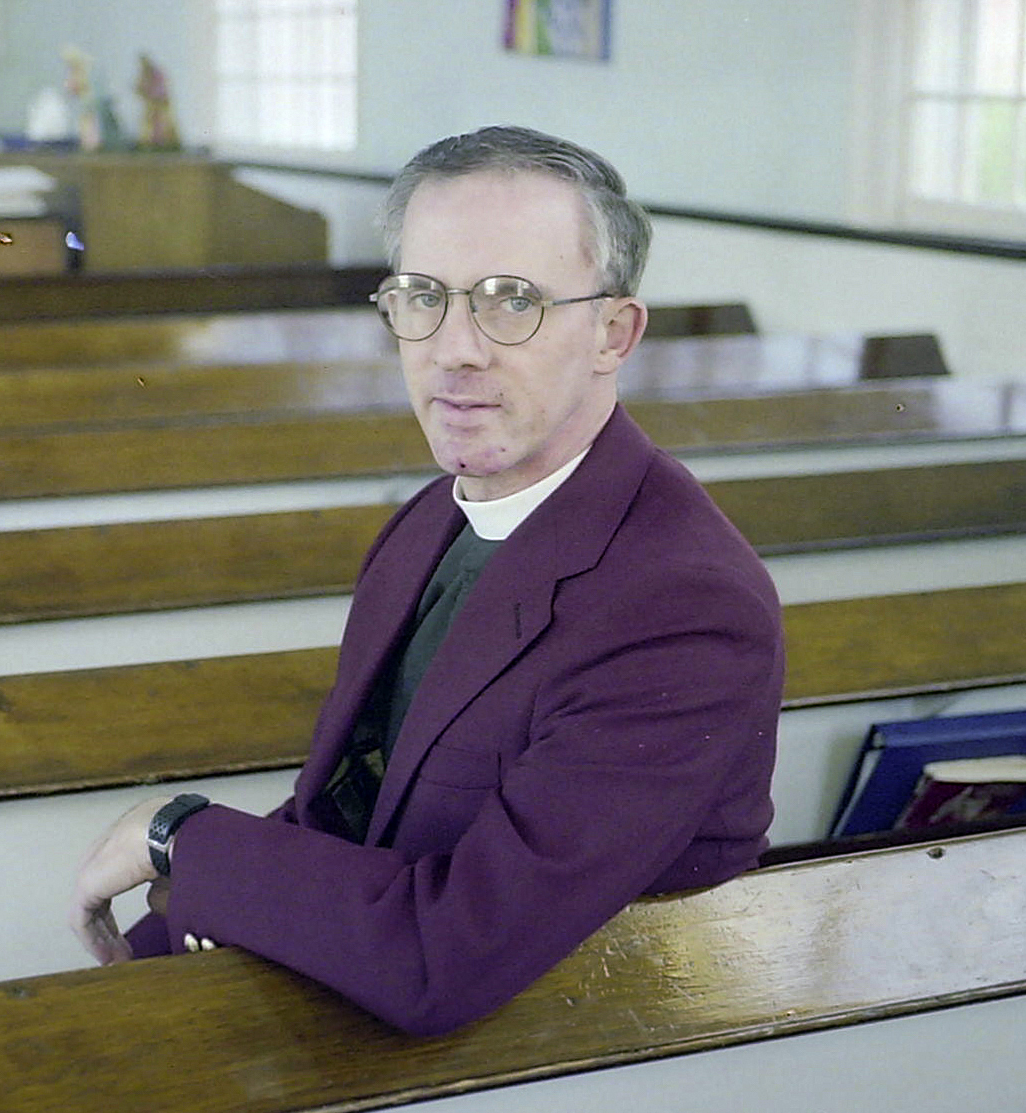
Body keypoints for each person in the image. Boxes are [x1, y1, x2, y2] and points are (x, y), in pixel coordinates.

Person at [72, 125, 784, 1037]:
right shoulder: (430, 519)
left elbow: (443, 954)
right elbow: (345, 812)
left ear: (613, 332)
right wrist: (148, 963)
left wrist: (175, 833)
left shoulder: (681, 606)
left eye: (511, 301)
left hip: (567, 1056)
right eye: (422, 297)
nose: (454, 350)